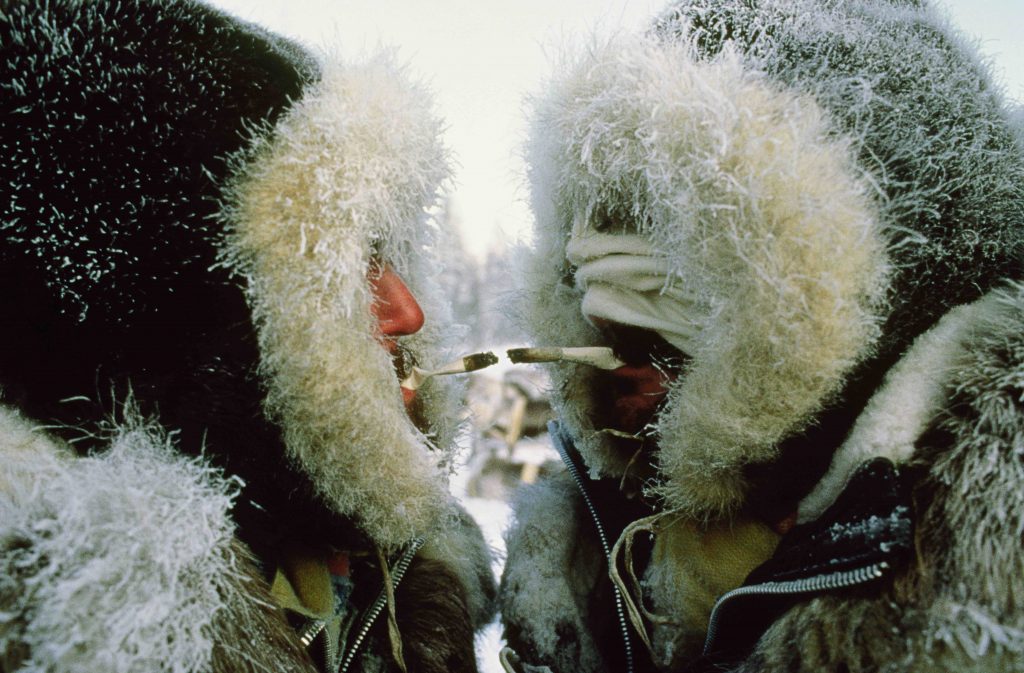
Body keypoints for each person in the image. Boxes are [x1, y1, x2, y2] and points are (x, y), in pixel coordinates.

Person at [499, 0, 1024, 671]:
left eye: (685, 231)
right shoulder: (595, 552)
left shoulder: (972, 619)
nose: (602, 312)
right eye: (598, 220)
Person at [0, 1, 495, 672]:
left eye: (390, 251)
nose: (408, 313)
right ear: (175, 321)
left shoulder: (397, 576)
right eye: (335, 266)